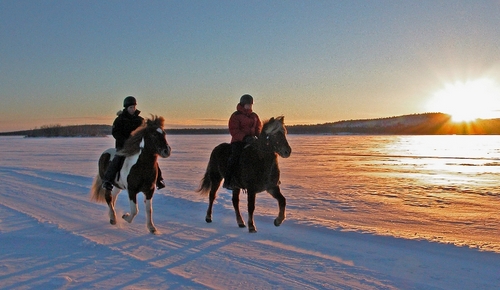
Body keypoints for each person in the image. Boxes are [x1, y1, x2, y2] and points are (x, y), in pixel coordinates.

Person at [102, 96, 165, 191]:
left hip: (138, 146)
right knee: (118, 159)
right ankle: (108, 180)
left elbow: (145, 132)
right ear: (126, 108)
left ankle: (158, 179)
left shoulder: (140, 120)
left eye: (134, 107)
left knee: (151, 158)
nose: (132, 109)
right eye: (130, 107)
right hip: (123, 146)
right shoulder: (119, 119)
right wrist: (126, 141)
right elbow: (115, 133)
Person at [223, 94, 262, 189]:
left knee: (263, 154)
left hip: (252, 141)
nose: (249, 106)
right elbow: (234, 130)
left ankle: (267, 178)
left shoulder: (254, 115)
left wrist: (260, 136)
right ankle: (228, 181)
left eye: (250, 104)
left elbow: (258, 127)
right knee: (235, 157)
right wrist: (245, 138)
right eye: (247, 104)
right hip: (239, 141)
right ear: (243, 104)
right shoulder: (236, 116)